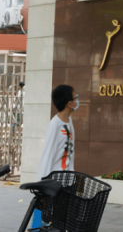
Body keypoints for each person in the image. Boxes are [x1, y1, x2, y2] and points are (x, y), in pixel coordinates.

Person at [31, 84, 79, 230]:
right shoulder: (55, 125)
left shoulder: (68, 122)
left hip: (67, 182)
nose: (78, 100)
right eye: (75, 97)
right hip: (55, 184)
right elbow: (47, 156)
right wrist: (42, 186)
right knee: (45, 222)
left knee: (62, 223)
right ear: (69, 103)